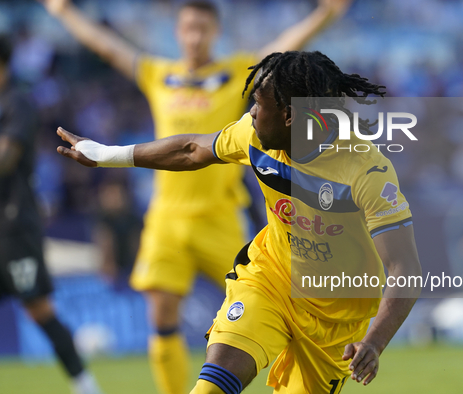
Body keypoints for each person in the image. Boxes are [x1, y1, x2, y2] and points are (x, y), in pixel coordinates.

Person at [57, 50, 422, 394]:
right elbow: (191, 150)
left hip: (338, 318)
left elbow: (405, 267)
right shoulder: (254, 135)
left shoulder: (366, 170)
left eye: (258, 105)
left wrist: (374, 342)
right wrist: (106, 155)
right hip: (271, 280)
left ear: (290, 116)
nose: (249, 114)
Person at [41, 1, 352, 393]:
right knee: (162, 310)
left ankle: (302, 369)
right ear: (177, 32)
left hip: (220, 216)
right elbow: (108, 47)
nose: (194, 37)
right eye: (188, 28)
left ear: (215, 32)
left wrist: (325, 14)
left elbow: (281, 54)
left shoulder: (235, 72)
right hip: (167, 218)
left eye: (202, 29)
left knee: (279, 299)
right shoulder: (159, 74)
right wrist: (62, 11)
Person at [0, 35, 102, 394]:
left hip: (12, 228)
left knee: (38, 309)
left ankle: (85, 384)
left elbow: (5, 160)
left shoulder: (16, 103)